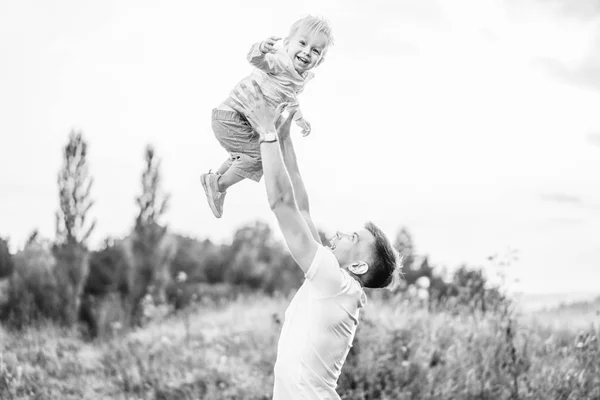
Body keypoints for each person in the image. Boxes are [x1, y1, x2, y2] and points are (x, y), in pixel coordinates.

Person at [229, 81, 402, 399]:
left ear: (358, 264)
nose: (338, 233)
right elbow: (300, 203)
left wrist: (266, 133)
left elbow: (283, 203)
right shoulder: (335, 282)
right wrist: (283, 135)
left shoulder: (334, 282)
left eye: (352, 237)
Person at [201, 15, 334, 218]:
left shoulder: (298, 78)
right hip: (231, 117)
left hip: (238, 120)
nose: (307, 52)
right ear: (287, 43)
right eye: (303, 43)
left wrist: (299, 119)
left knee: (249, 155)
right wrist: (261, 48)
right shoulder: (280, 62)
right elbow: (255, 60)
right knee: (260, 157)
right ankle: (218, 185)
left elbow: (290, 98)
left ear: (320, 61)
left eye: (315, 50)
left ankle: (215, 181)